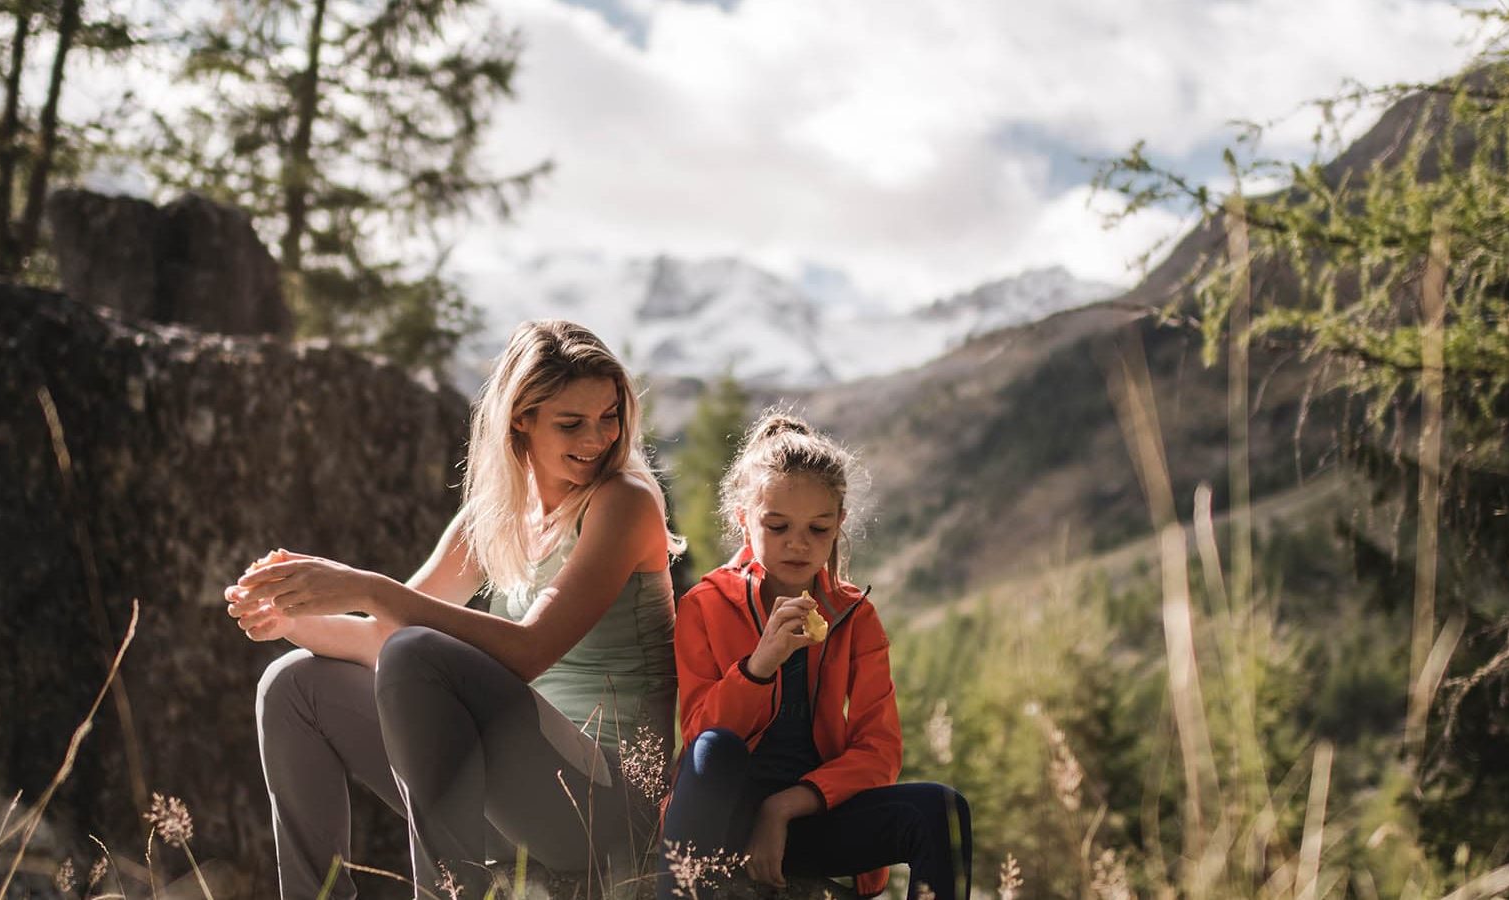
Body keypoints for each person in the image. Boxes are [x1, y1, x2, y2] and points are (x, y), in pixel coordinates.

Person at [225, 319, 681, 900]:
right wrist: (293, 619)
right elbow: (384, 644)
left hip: (604, 808)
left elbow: (528, 649)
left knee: (417, 648)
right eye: (571, 423)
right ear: (522, 419)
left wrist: (365, 587)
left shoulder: (624, 503)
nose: (597, 439)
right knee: (291, 685)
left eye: (609, 417)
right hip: (509, 803)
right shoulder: (494, 516)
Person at [662, 412, 972, 900]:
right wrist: (760, 665)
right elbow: (701, 740)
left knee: (942, 808)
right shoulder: (705, 604)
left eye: (819, 528)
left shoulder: (855, 615)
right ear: (744, 518)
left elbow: (880, 751)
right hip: (722, 820)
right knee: (714, 748)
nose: (799, 543)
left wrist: (784, 807)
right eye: (778, 525)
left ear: (839, 524)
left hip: (812, 818)